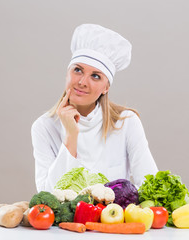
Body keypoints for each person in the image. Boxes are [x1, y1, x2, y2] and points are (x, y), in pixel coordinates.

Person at [31, 24, 158, 193]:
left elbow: (150, 184)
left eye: (95, 76)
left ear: (106, 87)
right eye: (78, 70)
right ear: (67, 73)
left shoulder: (126, 122)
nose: (83, 82)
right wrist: (71, 135)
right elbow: (48, 196)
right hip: (69, 220)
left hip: (115, 218)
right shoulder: (44, 127)